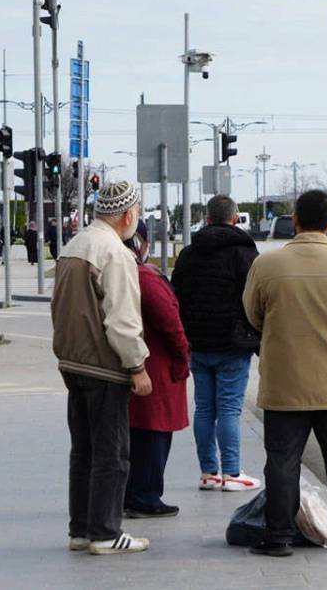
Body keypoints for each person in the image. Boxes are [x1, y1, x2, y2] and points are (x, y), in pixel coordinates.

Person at [243, 190, 327, 557]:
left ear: (294, 220)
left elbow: (253, 314)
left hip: (286, 383)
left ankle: (279, 536)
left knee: (282, 460)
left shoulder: (267, 266)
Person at [51, 181, 153, 556]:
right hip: (104, 367)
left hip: (72, 361)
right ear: (128, 215)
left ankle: (81, 529)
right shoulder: (116, 253)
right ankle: (106, 533)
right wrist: (137, 366)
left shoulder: (73, 246)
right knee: (113, 454)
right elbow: (122, 320)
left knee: (84, 452)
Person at [171, 195, 262, 492]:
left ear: (207, 219)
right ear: (235, 218)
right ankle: (232, 473)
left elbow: (176, 296)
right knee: (229, 409)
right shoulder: (245, 253)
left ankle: (208, 473)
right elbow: (254, 298)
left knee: (204, 409)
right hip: (232, 342)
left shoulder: (188, 254)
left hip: (197, 342)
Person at [123, 221, 191, 518]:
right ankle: (146, 496)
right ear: (142, 243)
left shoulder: (120, 274)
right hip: (157, 367)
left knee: (138, 433)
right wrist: (183, 356)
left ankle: (134, 493)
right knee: (154, 431)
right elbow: (171, 324)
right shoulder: (145, 278)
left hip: (136, 364)